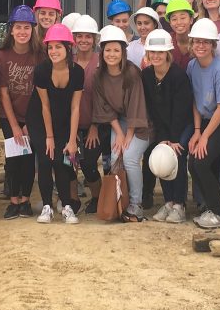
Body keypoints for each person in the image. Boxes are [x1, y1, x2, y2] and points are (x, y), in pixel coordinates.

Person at [26, 23, 83, 224]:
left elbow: (76, 107)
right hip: (40, 119)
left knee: (61, 160)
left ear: (68, 48)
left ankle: (67, 206)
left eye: (58, 47)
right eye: (50, 47)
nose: (53, 51)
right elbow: (44, 106)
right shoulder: (41, 70)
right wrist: (49, 137)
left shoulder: (77, 72)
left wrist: (72, 139)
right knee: (45, 158)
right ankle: (47, 206)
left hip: (64, 119)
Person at [92, 25, 150, 222]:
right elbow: (105, 108)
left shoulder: (132, 73)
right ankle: (119, 203)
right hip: (118, 121)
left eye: (116, 50)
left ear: (123, 52)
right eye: (107, 50)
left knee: (131, 157)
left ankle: (136, 204)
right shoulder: (99, 76)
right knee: (116, 154)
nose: (111, 54)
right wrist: (119, 133)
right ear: (102, 52)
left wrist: (129, 135)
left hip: (140, 122)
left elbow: (137, 105)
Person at [0, 5, 43, 219]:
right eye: (18, 27)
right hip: (9, 116)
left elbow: (40, 93)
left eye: (26, 27)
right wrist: (15, 125)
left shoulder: (40, 55)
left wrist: (28, 124)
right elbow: (3, 94)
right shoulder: (2, 56)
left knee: (28, 159)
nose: (22, 32)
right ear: (11, 30)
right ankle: (14, 200)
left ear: (33, 29)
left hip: (33, 115)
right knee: (13, 159)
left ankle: (25, 200)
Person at [141, 29, 193, 224]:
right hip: (162, 127)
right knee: (159, 154)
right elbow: (152, 109)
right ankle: (169, 202)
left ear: (167, 53)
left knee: (175, 154)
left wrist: (173, 139)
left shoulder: (178, 76)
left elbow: (181, 111)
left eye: (160, 52)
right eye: (152, 52)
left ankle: (180, 204)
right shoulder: (146, 75)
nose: (156, 56)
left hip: (183, 126)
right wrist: (162, 137)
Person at [187, 17, 220, 229]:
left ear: (213, 45)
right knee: (193, 164)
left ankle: (219, 213)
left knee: (201, 161)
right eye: (197, 41)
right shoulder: (191, 66)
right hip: (204, 120)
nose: (201, 46)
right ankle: (209, 206)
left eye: (206, 42)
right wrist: (197, 131)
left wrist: (205, 137)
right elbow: (195, 101)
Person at [72, 15, 105, 214]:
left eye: (88, 36)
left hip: (96, 124)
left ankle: (97, 197)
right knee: (70, 162)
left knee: (89, 163)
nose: (84, 40)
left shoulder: (101, 62)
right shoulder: (68, 62)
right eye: (80, 36)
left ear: (95, 39)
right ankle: (73, 200)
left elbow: (104, 98)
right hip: (73, 124)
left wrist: (94, 126)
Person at [164, 0, 195, 70]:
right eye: (174, 19)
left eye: (183, 18)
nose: (179, 22)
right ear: (170, 23)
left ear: (191, 20)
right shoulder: (166, 40)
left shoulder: (199, 41)